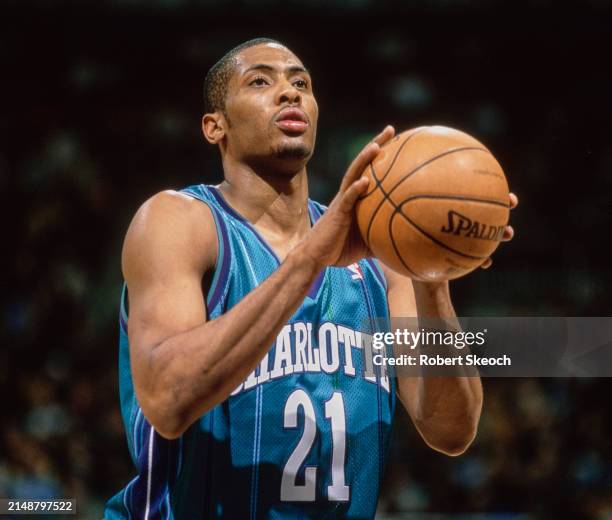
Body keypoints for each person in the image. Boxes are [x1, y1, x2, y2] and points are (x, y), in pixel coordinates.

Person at [104, 37, 517, 519]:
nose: (288, 92)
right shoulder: (179, 222)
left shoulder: (381, 261)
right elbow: (169, 400)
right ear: (215, 126)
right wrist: (310, 260)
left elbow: (451, 430)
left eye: (301, 82)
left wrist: (430, 267)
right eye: (260, 81)